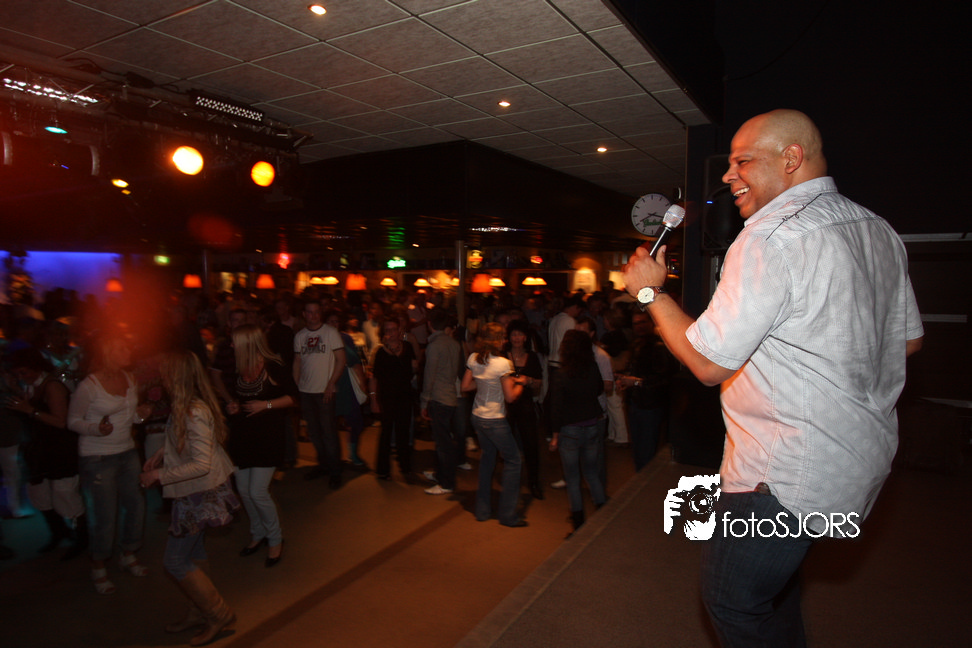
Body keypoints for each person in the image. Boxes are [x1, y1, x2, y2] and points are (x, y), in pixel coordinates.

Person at [622, 109, 924, 647]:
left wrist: (651, 291)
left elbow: (707, 363)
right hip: (856, 465)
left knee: (732, 601)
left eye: (742, 161)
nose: (727, 175)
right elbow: (907, 342)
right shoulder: (877, 229)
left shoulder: (771, 236)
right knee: (775, 595)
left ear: (791, 158)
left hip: (781, 478)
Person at [140, 350, 240, 646]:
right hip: (195, 491)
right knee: (194, 553)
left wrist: (158, 475)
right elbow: (186, 440)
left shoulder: (193, 411)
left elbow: (201, 464)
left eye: (166, 373)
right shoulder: (187, 405)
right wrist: (163, 453)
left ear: (177, 377)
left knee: (174, 560)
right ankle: (199, 611)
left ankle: (218, 613)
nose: (162, 378)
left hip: (199, 492)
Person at [68, 335, 152, 594]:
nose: (128, 351)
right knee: (104, 516)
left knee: (136, 507)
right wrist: (96, 429)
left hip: (127, 452)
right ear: (107, 352)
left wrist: (140, 415)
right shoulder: (89, 385)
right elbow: (72, 421)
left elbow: (130, 417)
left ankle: (128, 554)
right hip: (98, 457)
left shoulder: (130, 378)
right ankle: (98, 566)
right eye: (122, 348)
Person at [225, 325, 296, 568]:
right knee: (244, 491)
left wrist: (265, 405)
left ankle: (275, 539)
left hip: (267, 436)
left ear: (248, 343)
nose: (231, 345)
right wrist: (234, 406)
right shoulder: (239, 367)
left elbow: (292, 398)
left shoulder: (273, 365)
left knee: (257, 492)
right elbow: (241, 399)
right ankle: (258, 533)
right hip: (242, 435)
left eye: (235, 341)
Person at [7, 347, 86, 559]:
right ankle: (59, 532)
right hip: (39, 450)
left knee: (65, 494)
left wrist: (30, 411)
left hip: (58, 449)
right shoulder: (29, 386)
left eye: (24, 372)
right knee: (39, 494)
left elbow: (60, 421)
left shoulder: (52, 386)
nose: (21, 376)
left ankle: (82, 538)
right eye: (17, 373)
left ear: (35, 367)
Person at [462, 322, 528, 527]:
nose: (505, 341)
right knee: (513, 461)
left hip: (477, 416)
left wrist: (485, 383)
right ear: (497, 341)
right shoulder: (503, 364)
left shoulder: (473, 358)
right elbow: (510, 397)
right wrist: (520, 384)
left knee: (487, 459)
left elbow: (465, 386)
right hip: (495, 419)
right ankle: (507, 515)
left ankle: (482, 511)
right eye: (503, 338)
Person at [548, 330, 606, 534]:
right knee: (591, 473)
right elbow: (599, 389)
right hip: (591, 425)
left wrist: (555, 434)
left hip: (570, 429)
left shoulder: (561, 373)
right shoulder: (592, 367)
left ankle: (579, 523)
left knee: (572, 478)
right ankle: (604, 514)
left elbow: (556, 406)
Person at [293, 299, 347, 489]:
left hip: (324, 391)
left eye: (316, 312)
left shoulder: (330, 333)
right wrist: (297, 384)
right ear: (304, 314)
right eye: (309, 312)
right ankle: (323, 464)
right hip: (306, 391)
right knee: (314, 432)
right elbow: (298, 361)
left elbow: (341, 360)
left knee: (328, 432)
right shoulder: (300, 335)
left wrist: (331, 383)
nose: (313, 315)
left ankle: (335, 470)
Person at [419, 308, 462, 495]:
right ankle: (440, 474)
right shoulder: (454, 344)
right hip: (450, 395)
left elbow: (430, 376)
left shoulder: (435, 346)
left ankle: (446, 482)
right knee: (442, 440)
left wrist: (424, 401)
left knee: (443, 443)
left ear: (430, 324)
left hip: (439, 397)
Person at [370, 318, 418, 483]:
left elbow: (414, 367)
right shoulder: (380, 353)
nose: (391, 333)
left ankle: (405, 466)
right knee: (386, 433)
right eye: (387, 330)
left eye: (393, 329)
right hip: (387, 398)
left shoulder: (407, 347)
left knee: (403, 432)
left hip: (404, 396)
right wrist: (373, 400)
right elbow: (374, 378)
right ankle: (383, 469)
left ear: (399, 331)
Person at [504, 319, 544, 500]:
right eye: (514, 334)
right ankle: (509, 481)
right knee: (505, 445)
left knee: (531, 445)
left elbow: (539, 384)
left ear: (526, 337)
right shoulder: (503, 356)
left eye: (520, 334)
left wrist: (528, 381)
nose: (517, 338)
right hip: (506, 406)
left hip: (526, 405)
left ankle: (534, 482)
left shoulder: (532, 357)